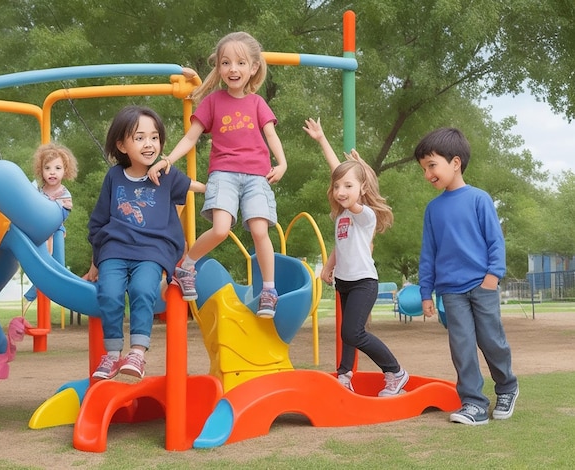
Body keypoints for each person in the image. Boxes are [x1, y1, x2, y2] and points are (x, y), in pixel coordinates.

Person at [147, 32, 287, 318]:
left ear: (253, 68)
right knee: (221, 229)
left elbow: (271, 134)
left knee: (261, 230)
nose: (232, 69)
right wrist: (168, 159)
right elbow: (191, 138)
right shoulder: (212, 102)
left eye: (240, 62)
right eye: (226, 62)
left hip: (256, 176)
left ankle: (269, 290)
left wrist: (282, 163)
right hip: (223, 173)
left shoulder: (258, 104)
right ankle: (186, 266)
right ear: (219, 68)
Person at [85, 105, 205, 381]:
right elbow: (100, 220)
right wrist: (95, 263)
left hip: (153, 250)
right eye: (139, 137)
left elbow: (193, 186)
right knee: (110, 292)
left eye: (154, 137)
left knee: (142, 288)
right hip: (115, 248)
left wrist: (222, 190)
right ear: (122, 145)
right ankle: (113, 355)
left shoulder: (166, 174)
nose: (149, 144)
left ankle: (137, 353)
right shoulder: (114, 177)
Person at [414, 127, 519, 425]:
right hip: (451, 291)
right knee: (461, 346)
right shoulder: (432, 210)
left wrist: (492, 277)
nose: (427, 174)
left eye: (431, 165)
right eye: (424, 168)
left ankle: (508, 387)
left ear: (455, 162)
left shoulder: (479, 199)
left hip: (482, 285)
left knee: (491, 341)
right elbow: (428, 254)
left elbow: (495, 241)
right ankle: (473, 403)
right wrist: (426, 293)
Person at [303, 118, 409, 396]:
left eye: (348, 187)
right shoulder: (341, 217)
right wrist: (328, 267)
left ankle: (395, 372)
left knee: (353, 332)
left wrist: (362, 171)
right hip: (344, 282)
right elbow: (340, 246)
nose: (340, 192)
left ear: (362, 189)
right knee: (346, 333)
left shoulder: (365, 216)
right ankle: (345, 375)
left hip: (364, 282)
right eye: (337, 187)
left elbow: (353, 183)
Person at [23, 142, 78, 308]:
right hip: (40, 232)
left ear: (65, 171)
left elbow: (64, 213)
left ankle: (38, 292)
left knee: (58, 263)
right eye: (47, 168)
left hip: (56, 231)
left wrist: (59, 208)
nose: (52, 172)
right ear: (41, 171)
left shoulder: (64, 193)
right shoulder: (38, 191)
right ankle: (35, 291)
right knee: (41, 263)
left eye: (58, 168)